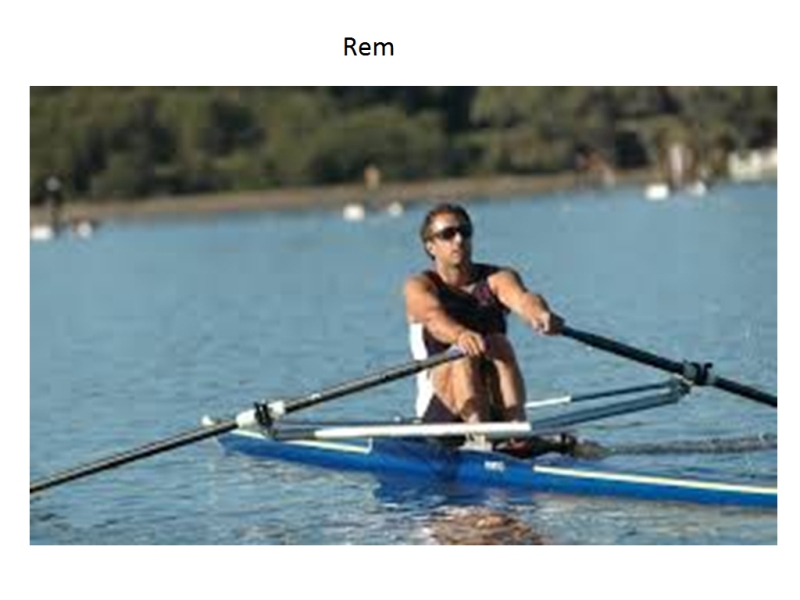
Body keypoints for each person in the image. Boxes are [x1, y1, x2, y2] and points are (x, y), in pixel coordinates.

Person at [404, 203, 564, 439]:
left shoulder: (497, 278)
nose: (459, 239)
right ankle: (480, 438)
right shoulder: (419, 286)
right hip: (443, 410)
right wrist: (460, 335)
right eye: (448, 234)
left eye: (465, 232)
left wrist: (540, 313)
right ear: (430, 246)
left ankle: (516, 433)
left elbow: (523, 299)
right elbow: (432, 317)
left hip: (493, 403)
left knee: (498, 343)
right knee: (462, 353)